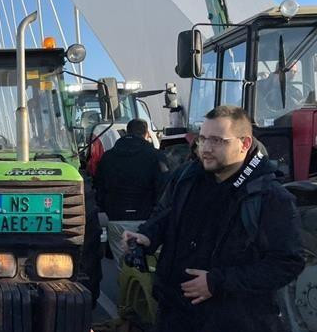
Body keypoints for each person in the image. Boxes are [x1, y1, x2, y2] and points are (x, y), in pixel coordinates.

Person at [121, 106, 304, 332]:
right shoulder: (187, 177)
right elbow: (166, 214)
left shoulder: (269, 197)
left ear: (244, 144)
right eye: (203, 139)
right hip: (174, 314)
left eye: (217, 140)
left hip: (234, 321)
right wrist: (147, 236)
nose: (205, 148)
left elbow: (287, 263)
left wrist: (217, 282)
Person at [93, 119, 166, 221]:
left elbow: (98, 185)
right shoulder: (156, 156)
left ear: (127, 132)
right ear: (146, 134)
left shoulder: (108, 157)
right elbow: (163, 187)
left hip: (114, 214)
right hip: (146, 215)